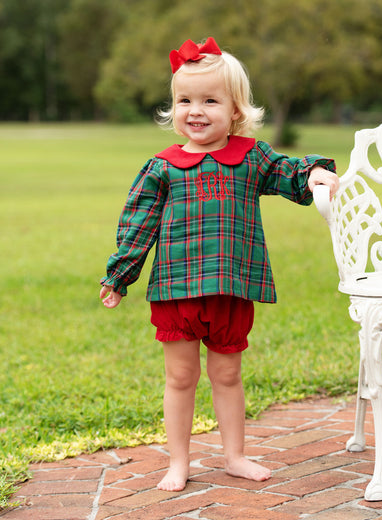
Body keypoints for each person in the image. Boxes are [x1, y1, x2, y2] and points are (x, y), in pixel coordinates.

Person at [100, 37, 339, 492]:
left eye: (210, 100)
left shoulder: (251, 158)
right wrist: (120, 275)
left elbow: (287, 172)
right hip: (176, 291)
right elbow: (137, 225)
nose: (196, 110)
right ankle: (179, 462)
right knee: (181, 376)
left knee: (227, 374)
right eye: (185, 100)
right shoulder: (162, 166)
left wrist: (312, 172)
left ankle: (234, 455)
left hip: (231, 289)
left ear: (235, 110)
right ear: (174, 107)